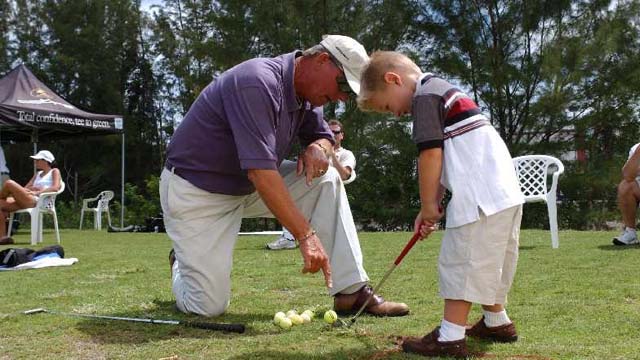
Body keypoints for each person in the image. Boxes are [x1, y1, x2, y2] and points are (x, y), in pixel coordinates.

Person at [160, 35, 409, 318]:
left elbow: (323, 137)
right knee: (206, 307)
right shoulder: (257, 81)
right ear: (322, 60)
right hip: (197, 191)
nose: (341, 97)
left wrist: (319, 146)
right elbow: (260, 170)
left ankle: (351, 292)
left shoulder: (309, 96)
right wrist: (305, 235)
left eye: (348, 93)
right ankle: (180, 263)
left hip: (245, 186)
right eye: (342, 85)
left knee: (327, 180)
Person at [357, 51, 524, 358]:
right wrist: (430, 205)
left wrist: (427, 204)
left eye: (387, 105)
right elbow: (448, 159)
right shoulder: (442, 92)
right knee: (491, 263)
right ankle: (497, 321)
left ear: (393, 80)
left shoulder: (424, 98)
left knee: (461, 263)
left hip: (480, 197)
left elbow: (431, 155)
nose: (394, 114)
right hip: (504, 193)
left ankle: (450, 337)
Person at [267, 119, 357, 250]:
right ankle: (288, 237)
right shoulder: (316, 150)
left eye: (336, 132)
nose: (332, 135)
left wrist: (332, 155)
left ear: (342, 135)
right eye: (329, 132)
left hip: (332, 195)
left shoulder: (346, 154)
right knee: (290, 201)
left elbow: (345, 175)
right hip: (310, 188)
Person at [0, 150, 61, 245]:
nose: (35, 162)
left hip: (38, 200)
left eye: (37, 160)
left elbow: (56, 187)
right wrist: (32, 188)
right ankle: (3, 238)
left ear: (45, 161)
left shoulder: (54, 171)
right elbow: (25, 188)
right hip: (27, 198)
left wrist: (37, 192)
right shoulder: (37, 174)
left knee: (9, 183)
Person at [613, 142, 640, 245]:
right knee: (626, 186)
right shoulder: (636, 149)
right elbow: (628, 175)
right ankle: (630, 233)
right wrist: (638, 152)